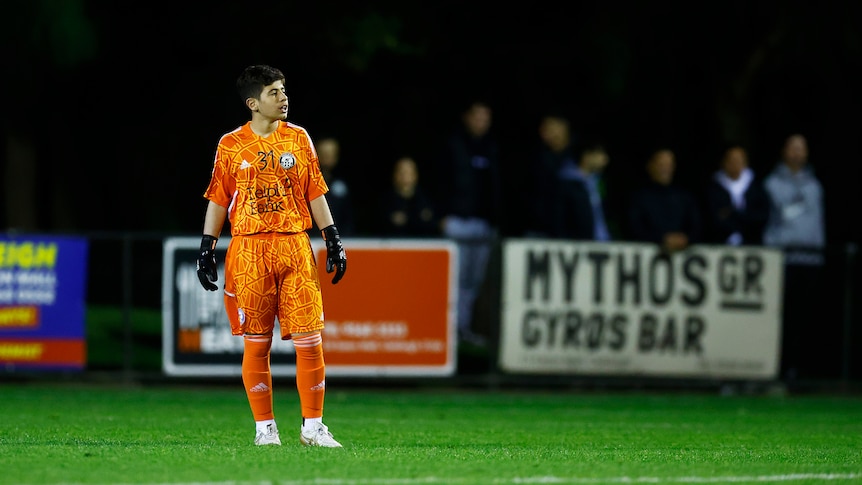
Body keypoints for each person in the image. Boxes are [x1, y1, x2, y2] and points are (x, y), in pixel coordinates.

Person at [195, 64, 347, 448]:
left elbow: (315, 190)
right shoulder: (230, 144)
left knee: (311, 340)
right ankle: (266, 429)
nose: (283, 98)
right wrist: (206, 247)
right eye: (274, 92)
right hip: (249, 249)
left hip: (295, 244)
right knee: (257, 343)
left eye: (283, 90)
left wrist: (332, 239)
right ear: (253, 103)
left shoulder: (299, 139)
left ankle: (313, 427)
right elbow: (218, 197)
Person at [435, 99, 503, 345]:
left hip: (483, 224)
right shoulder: (453, 144)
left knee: (473, 281)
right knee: (454, 279)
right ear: (467, 117)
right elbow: (440, 180)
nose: (481, 121)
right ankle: (448, 332)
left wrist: (496, 219)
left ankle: (462, 329)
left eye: (486, 117)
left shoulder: (491, 147)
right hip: (457, 221)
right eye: (477, 116)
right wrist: (442, 216)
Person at [762, 133, 826, 382]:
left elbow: (818, 222)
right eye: (793, 148)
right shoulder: (772, 184)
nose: (797, 153)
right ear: (784, 151)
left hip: (810, 259)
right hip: (782, 259)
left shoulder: (814, 185)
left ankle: (798, 369)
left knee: (804, 318)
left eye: (802, 148)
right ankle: (776, 368)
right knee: (780, 317)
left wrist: (819, 252)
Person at [626, 148, 702, 253]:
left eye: (668, 165)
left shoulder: (685, 197)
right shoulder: (638, 197)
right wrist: (662, 238)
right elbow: (634, 229)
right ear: (650, 166)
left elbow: (697, 227)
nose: (665, 169)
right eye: (660, 164)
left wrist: (685, 238)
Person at [702, 144, 770, 246]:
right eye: (731, 160)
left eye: (739, 160)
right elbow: (713, 219)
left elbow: (761, 217)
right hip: (720, 245)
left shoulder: (756, 187)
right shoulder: (714, 188)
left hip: (751, 245)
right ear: (724, 162)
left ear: (746, 162)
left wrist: (732, 214)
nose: (735, 163)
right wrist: (743, 218)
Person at [525, 114, 579, 238]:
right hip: (538, 229)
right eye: (543, 128)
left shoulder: (578, 156)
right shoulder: (535, 156)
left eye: (549, 127)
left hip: (572, 232)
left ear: (563, 128)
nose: (543, 132)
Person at [555, 142, 613, 241]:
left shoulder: (599, 183)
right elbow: (559, 219)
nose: (605, 159)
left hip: (605, 242)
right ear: (586, 156)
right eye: (600, 154)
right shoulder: (566, 183)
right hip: (578, 244)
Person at [376, 156, 439, 237]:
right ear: (395, 175)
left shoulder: (426, 200)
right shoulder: (385, 202)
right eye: (401, 172)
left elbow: (433, 223)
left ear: (415, 175)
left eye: (409, 172)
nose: (405, 176)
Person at [308, 136, 356, 236]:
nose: (327, 157)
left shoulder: (342, 186)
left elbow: (348, 218)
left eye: (330, 154)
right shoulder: (305, 183)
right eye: (324, 153)